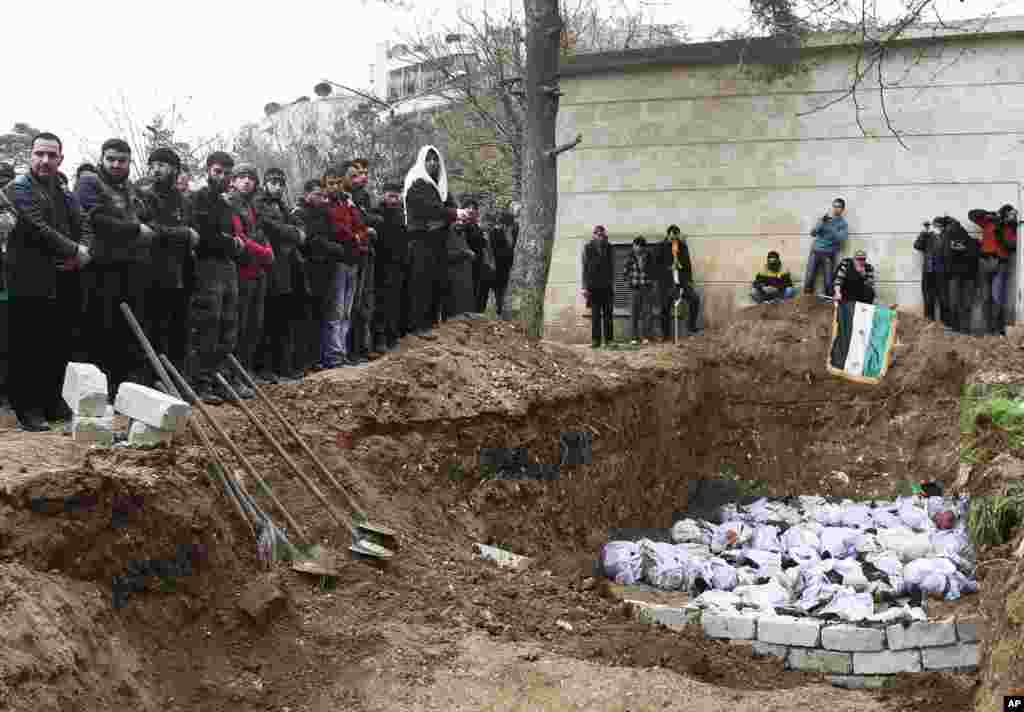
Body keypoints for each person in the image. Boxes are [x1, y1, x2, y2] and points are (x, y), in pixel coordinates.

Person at [3, 132, 93, 431]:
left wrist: (82, 252)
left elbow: (85, 224)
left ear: (60, 159)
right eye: (39, 154)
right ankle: (28, 409)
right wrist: (74, 249)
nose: (45, 160)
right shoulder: (17, 189)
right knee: (27, 345)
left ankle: (52, 403)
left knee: (58, 343)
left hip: (63, 279)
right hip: (28, 280)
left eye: (51, 155)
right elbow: (36, 227)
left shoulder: (65, 193)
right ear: (30, 156)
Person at [75, 138, 154, 398]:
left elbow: (143, 216)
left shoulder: (129, 188)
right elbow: (94, 219)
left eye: (122, 160)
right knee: (100, 329)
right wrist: (134, 229)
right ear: (102, 159)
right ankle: (98, 392)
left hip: (130, 267)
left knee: (126, 332)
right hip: (99, 267)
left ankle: (121, 387)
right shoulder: (89, 181)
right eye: (111, 159)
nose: (117, 164)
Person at [189, 151, 248, 404]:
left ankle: (220, 379)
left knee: (228, 325)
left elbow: (233, 237)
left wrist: (232, 243)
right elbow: (203, 237)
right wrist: (230, 243)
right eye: (217, 172)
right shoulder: (198, 199)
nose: (222, 177)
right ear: (208, 172)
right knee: (207, 325)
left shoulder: (227, 204)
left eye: (226, 173)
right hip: (207, 269)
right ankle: (201, 383)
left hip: (227, 268)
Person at [137, 147, 198, 383]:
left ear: (175, 169)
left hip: (180, 273)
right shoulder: (143, 195)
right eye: (153, 164)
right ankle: (151, 381)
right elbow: (150, 230)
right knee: (152, 330)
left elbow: (194, 233)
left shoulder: (183, 200)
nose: (156, 169)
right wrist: (183, 233)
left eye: (162, 165)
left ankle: (175, 381)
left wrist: (187, 236)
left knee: (178, 331)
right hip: (150, 272)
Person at [403, 146, 463, 339]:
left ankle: (429, 324)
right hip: (420, 240)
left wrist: (453, 215)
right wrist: (450, 214)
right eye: (428, 159)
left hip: (437, 242)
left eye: (435, 160)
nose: (433, 163)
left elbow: (448, 205)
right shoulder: (417, 181)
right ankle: (418, 327)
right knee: (421, 284)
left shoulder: (438, 185)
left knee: (436, 284)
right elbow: (428, 209)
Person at [254, 167, 305, 382]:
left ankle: (283, 365)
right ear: (265, 183)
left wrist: (294, 231)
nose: (278, 186)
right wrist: (292, 233)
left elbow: (299, 226)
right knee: (268, 318)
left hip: (286, 267)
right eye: (273, 182)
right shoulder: (259, 203)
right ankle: (265, 367)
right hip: (269, 266)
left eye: (281, 183)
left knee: (284, 318)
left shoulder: (283, 205)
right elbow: (268, 226)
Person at [229, 164, 274, 391]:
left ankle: (246, 372)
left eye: (250, 178)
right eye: (241, 177)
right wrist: (264, 252)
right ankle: (234, 377)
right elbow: (240, 237)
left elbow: (260, 233)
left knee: (254, 326)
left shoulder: (252, 205)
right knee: (240, 325)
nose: (246, 182)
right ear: (233, 181)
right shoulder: (231, 203)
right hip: (241, 272)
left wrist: (267, 249)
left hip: (258, 272)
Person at [322, 161, 366, 367]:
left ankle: (342, 351)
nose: (336, 187)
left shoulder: (347, 203)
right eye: (331, 183)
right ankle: (333, 354)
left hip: (352, 260)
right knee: (336, 310)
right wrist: (355, 237)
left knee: (347, 310)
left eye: (339, 183)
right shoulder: (326, 206)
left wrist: (358, 235)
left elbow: (360, 225)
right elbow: (338, 229)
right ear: (325, 185)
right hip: (338, 261)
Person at [292, 179, 336, 370]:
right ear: (307, 194)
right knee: (305, 316)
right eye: (318, 194)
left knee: (320, 314)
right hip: (306, 269)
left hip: (324, 268)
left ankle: (316, 358)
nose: (322, 198)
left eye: (323, 195)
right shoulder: (299, 212)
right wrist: (329, 246)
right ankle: (303, 361)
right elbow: (308, 240)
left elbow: (329, 234)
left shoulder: (323, 213)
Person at [969, 204, 1017, 336]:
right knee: (985, 298)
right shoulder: (989, 222)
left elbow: (1012, 245)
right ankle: (986, 330)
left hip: (999, 263)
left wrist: (1001, 232)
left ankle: (997, 330)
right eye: (1011, 214)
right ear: (1003, 214)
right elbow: (972, 214)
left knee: (997, 298)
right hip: (984, 262)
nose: (1013, 217)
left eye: (1014, 215)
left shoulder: (1011, 228)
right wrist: (988, 214)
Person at [372, 182, 407, 352]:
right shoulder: (377, 212)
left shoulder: (402, 213)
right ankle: (380, 339)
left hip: (398, 263)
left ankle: (393, 337)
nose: (394, 199)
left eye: (396, 195)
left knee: (395, 302)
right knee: (382, 302)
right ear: (383, 195)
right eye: (390, 195)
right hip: (381, 263)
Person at [937, 215, 979, 334]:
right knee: (962, 304)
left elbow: (945, 256)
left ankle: (958, 329)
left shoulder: (948, 236)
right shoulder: (960, 236)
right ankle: (963, 330)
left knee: (955, 303)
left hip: (957, 275)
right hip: (963, 275)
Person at [445, 198, 481, 320]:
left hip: (465, 274)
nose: (461, 222)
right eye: (460, 218)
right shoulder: (449, 231)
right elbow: (448, 254)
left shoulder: (465, 230)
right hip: (454, 275)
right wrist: (465, 253)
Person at [804, 198, 848, 296]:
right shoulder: (825, 219)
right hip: (815, 251)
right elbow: (813, 233)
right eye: (834, 206)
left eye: (838, 207)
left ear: (843, 209)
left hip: (828, 254)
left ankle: (828, 306)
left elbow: (841, 239)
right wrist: (821, 222)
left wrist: (832, 227)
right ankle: (805, 304)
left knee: (828, 283)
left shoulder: (843, 224)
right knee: (809, 279)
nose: (836, 209)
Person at [581, 225, 614, 348]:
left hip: (607, 286)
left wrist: (612, 283)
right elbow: (584, 267)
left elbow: (612, 267)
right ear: (593, 235)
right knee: (595, 314)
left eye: (601, 235)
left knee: (608, 314)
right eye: (597, 234)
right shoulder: (588, 248)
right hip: (593, 286)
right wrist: (584, 287)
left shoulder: (609, 247)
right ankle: (596, 340)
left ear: (604, 235)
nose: (599, 237)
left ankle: (609, 340)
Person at [666, 226, 701, 336]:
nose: (674, 240)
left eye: (676, 238)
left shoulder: (683, 247)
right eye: (672, 238)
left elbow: (688, 264)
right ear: (668, 235)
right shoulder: (661, 247)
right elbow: (657, 265)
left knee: (695, 299)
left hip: (682, 282)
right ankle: (665, 334)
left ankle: (691, 326)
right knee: (665, 307)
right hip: (667, 283)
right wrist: (669, 267)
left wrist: (689, 280)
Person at [913, 220, 947, 324]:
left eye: (938, 225)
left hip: (941, 272)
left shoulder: (946, 236)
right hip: (929, 271)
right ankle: (929, 322)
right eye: (934, 225)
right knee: (928, 298)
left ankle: (944, 324)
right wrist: (923, 233)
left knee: (943, 299)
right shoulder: (928, 236)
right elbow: (917, 245)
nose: (935, 228)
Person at [624, 236, 654, 344]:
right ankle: (633, 338)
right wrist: (629, 281)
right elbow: (625, 272)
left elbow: (654, 270)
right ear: (633, 246)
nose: (638, 248)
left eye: (640, 246)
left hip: (646, 288)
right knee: (634, 314)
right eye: (636, 246)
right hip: (634, 288)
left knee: (647, 313)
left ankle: (646, 337)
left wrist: (651, 281)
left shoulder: (649, 256)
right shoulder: (629, 256)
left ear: (644, 247)